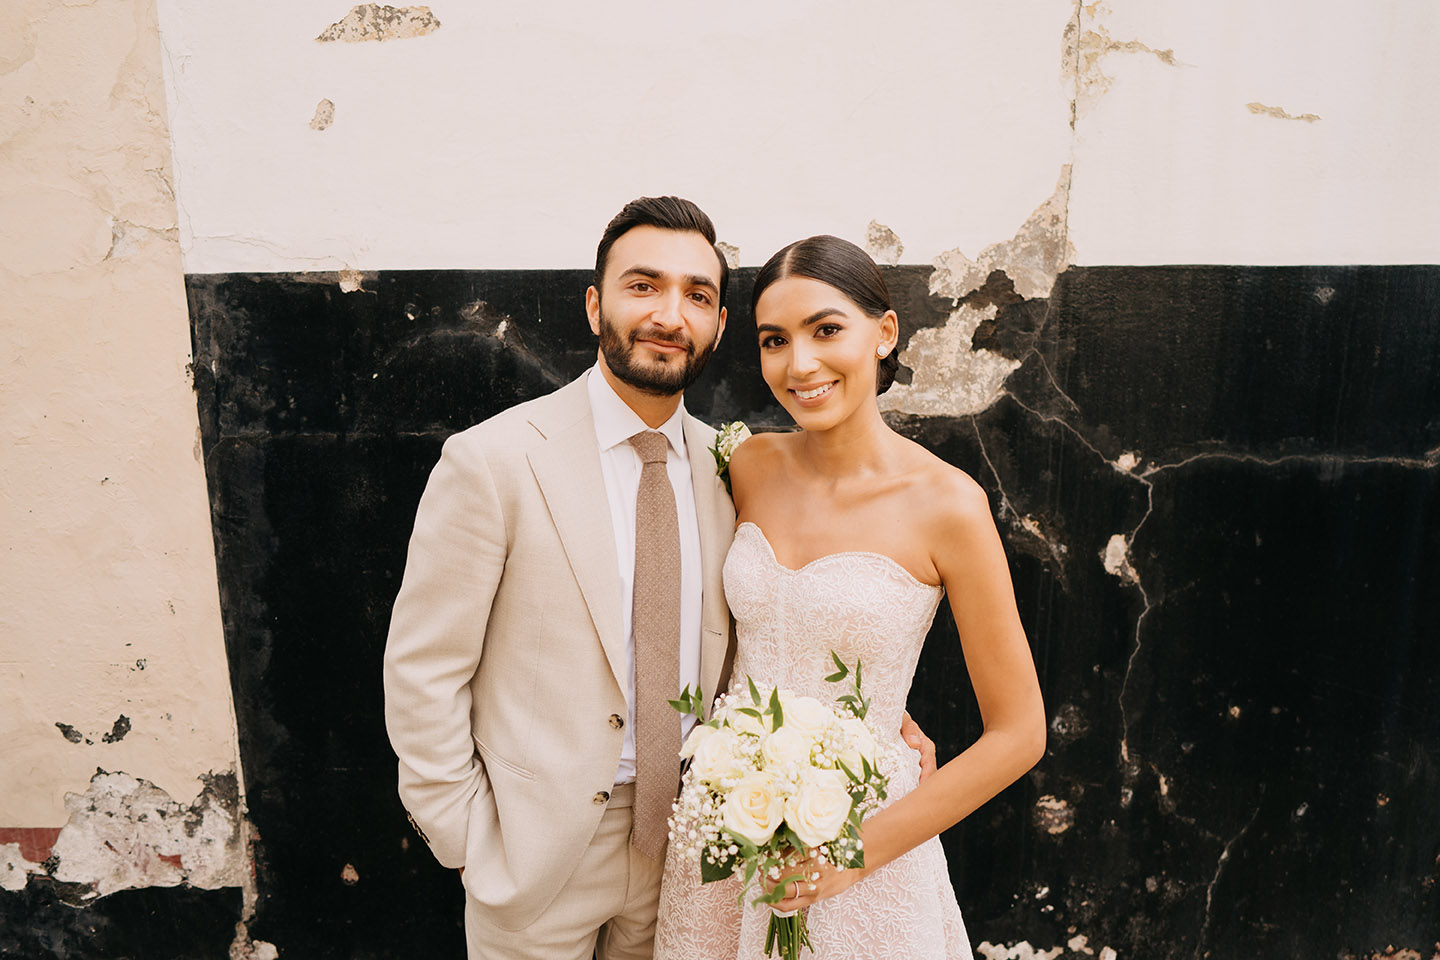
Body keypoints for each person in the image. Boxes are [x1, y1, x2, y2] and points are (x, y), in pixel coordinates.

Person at [383, 200, 937, 960]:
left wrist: (873, 722)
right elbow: (424, 669)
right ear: (594, 304)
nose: (669, 314)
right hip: (535, 855)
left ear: (715, 326)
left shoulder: (731, 467)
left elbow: (778, 612)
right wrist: (467, 837)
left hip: (696, 848)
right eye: (642, 286)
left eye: (698, 296)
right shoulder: (495, 462)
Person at [654, 235, 1047, 960]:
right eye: (775, 340)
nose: (799, 364)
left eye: (826, 329)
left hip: (866, 842)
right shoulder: (744, 464)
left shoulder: (948, 506)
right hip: (727, 830)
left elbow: (1019, 734)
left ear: (884, 333)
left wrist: (858, 852)